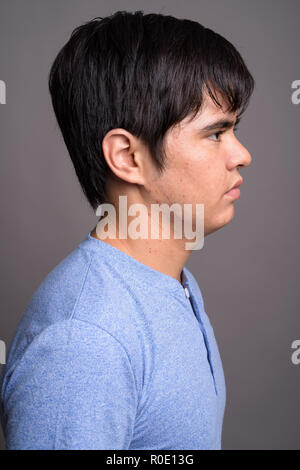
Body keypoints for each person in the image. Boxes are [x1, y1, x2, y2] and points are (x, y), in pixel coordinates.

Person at [0, 10, 254, 449]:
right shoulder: (83, 343)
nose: (242, 154)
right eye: (216, 134)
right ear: (127, 157)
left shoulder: (173, 284)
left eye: (234, 130)